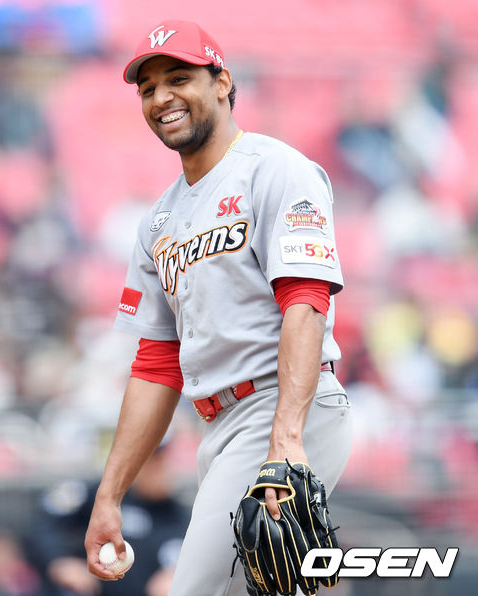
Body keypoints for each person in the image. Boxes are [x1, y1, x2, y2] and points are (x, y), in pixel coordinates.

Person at [85, 19, 353, 596]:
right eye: (148, 88)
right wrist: (110, 495)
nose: (162, 97)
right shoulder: (157, 222)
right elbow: (157, 364)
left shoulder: (275, 169)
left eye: (179, 78)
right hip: (219, 426)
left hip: (280, 408)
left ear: (223, 82)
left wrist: (286, 440)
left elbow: (306, 303)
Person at [30, 441, 189, 596]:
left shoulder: (182, 518)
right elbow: (42, 525)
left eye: (162, 460)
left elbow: (188, 561)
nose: (158, 469)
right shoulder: (99, 495)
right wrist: (60, 559)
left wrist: (178, 575)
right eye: (151, 460)